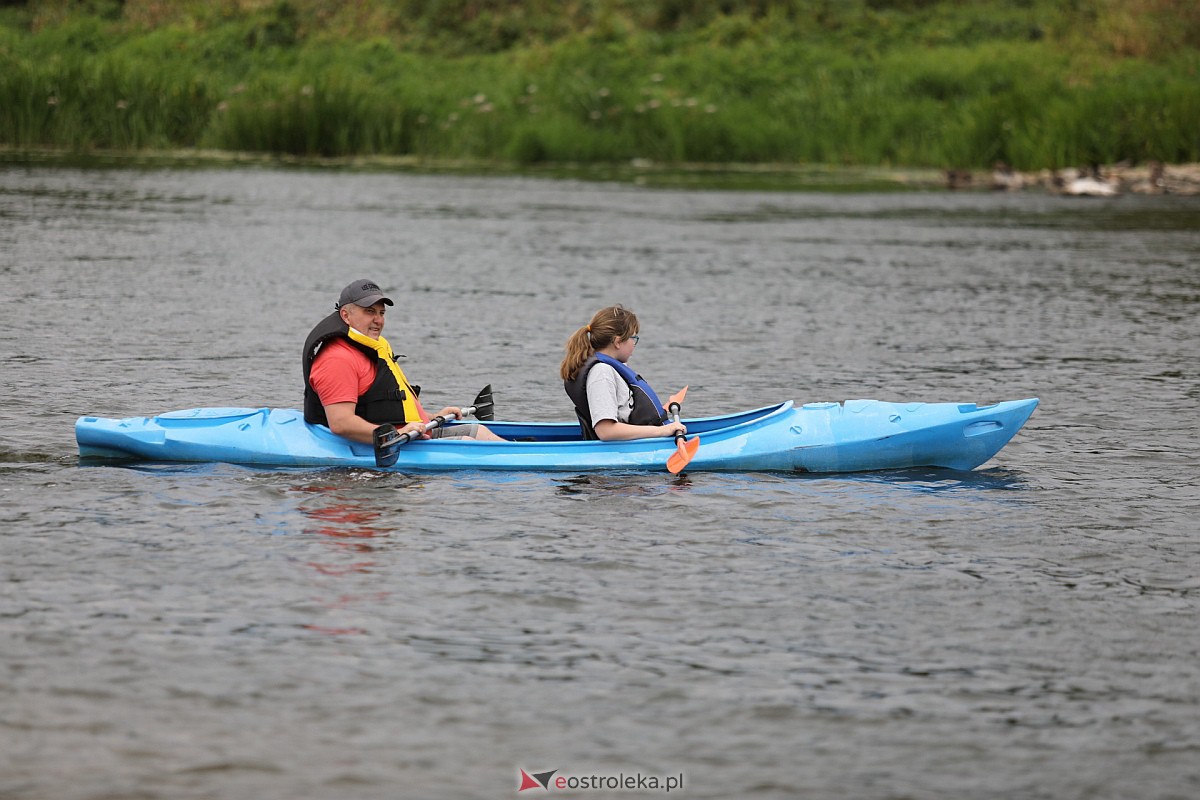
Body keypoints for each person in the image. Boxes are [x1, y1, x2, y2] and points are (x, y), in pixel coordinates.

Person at [303, 279, 503, 443]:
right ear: (345, 316)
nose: (378, 320)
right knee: (469, 444)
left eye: (381, 313)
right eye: (369, 312)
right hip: (388, 444)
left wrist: (430, 417)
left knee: (478, 431)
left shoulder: (373, 348)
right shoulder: (337, 359)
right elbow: (341, 423)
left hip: (411, 437)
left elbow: (386, 408)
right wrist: (397, 433)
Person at [560, 305, 687, 441]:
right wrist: (661, 431)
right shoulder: (602, 373)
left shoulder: (610, 368)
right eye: (633, 338)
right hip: (623, 449)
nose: (634, 344)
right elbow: (605, 431)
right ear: (618, 342)